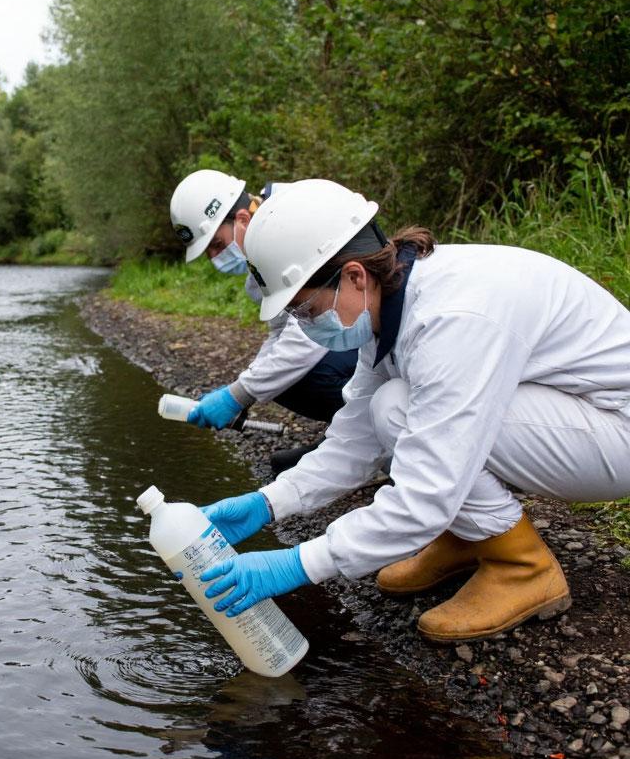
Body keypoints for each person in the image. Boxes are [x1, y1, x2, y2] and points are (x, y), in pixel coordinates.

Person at [194, 179, 630, 642]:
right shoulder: (388, 303)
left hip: (616, 429)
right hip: (578, 412)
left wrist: (301, 562)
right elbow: (355, 437)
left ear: (355, 275)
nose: (305, 323)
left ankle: (520, 566)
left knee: (405, 414)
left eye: (305, 309)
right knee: (387, 408)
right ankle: (469, 536)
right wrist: (269, 503)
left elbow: (429, 488)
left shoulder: (453, 318)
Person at [169, 170, 358, 473]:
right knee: (275, 378)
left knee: (297, 375)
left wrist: (238, 393)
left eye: (217, 244)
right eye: (209, 253)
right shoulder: (263, 249)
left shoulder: (291, 221)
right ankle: (353, 435)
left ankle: (372, 439)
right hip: (350, 330)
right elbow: (281, 330)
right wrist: (241, 392)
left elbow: (306, 337)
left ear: (242, 218)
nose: (216, 257)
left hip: (367, 325)